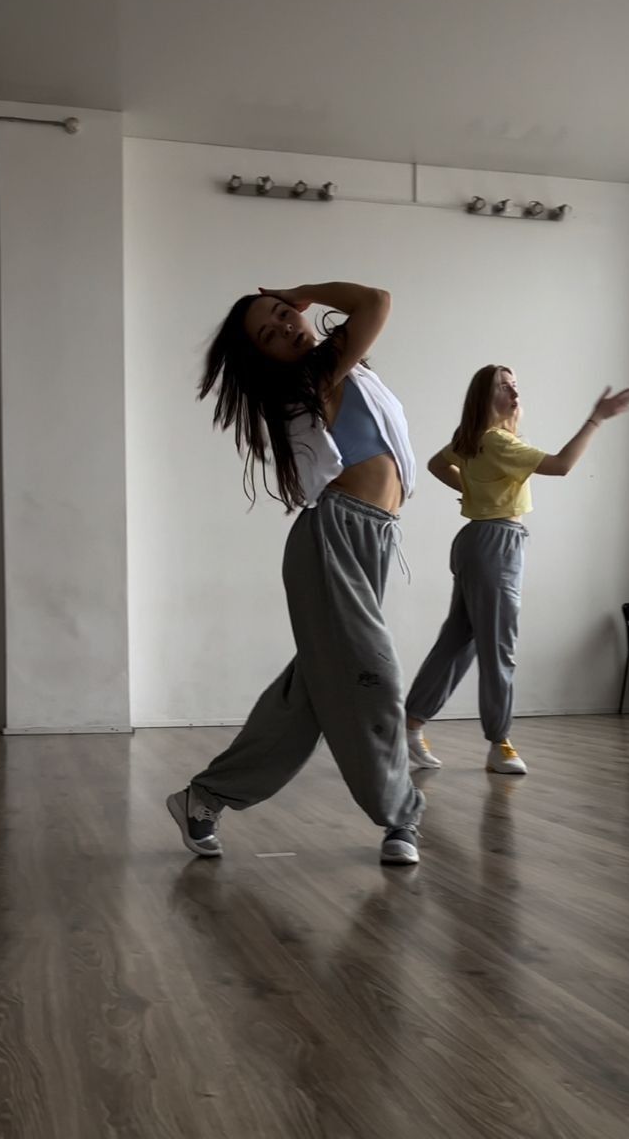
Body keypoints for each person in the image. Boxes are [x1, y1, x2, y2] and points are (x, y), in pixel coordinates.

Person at [166, 282, 425, 864]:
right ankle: (401, 817)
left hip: (371, 538)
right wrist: (304, 291)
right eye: (269, 332)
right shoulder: (313, 375)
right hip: (334, 536)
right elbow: (379, 300)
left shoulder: (343, 370)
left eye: (285, 316)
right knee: (373, 676)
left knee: (309, 692)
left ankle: (203, 799)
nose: (286, 327)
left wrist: (293, 299)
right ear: (262, 355)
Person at [406, 365, 629, 774]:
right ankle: (500, 743)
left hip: (477, 541)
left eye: (516, 385)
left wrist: (474, 491)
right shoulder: (497, 441)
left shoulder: (473, 438)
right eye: (503, 385)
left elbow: (436, 465)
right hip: (495, 544)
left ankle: (409, 726)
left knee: (460, 640)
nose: (514, 391)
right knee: (499, 646)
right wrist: (596, 418)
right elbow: (562, 465)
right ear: (483, 396)